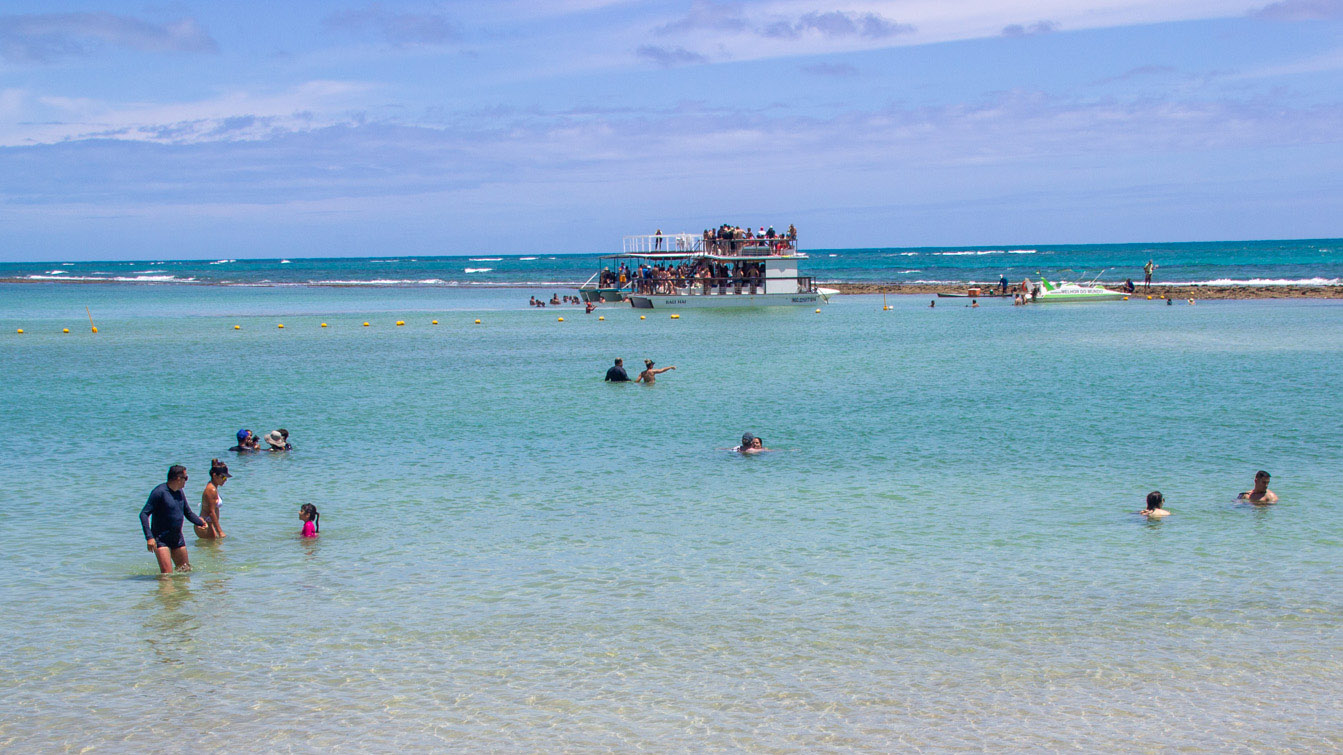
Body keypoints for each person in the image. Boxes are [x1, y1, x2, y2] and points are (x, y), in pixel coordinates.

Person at [140, 465, 205, 574]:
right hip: (161, 539)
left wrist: (200, 522)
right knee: (167, 575)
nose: (186, 481)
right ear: (178, 478)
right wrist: (149, 538)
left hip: (177, 537)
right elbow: (144, 514)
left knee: (185, 572)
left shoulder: (180, 492)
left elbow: (187, 513)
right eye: (186, 478)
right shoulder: (159, 492)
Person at [193, 460, 231, 539]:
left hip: (208, 523)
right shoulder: (211, 489)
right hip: (206, 524)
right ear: (215, 476)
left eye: (226, 477)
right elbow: (211, 512)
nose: (225, 480)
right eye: (223, 477)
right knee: (214, 549)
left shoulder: (213, 486)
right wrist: (220, 531)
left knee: (211, 550)